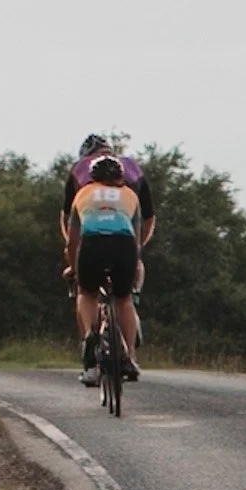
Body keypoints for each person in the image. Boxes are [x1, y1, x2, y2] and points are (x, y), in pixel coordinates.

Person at [67, 155, 143, 385]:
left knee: (86, 293)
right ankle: (129, 356)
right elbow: (137, 242)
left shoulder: (82, 194)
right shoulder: (131, 195)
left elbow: (72, 242)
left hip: (92, 243)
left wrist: (73, 268)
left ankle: (90, 345)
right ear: (120, 178)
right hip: (123, 243)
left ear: (92, 178)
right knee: (123, 299)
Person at [62, 133, 157, 300]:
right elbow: (149, 218)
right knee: (135, 268)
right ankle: (134, 296)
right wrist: (139, 245)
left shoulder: (79, 168)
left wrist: (72, 247)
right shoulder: (133, 167)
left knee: (85, 290)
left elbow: (66, 217)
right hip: (126, 227)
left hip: (91, 233)